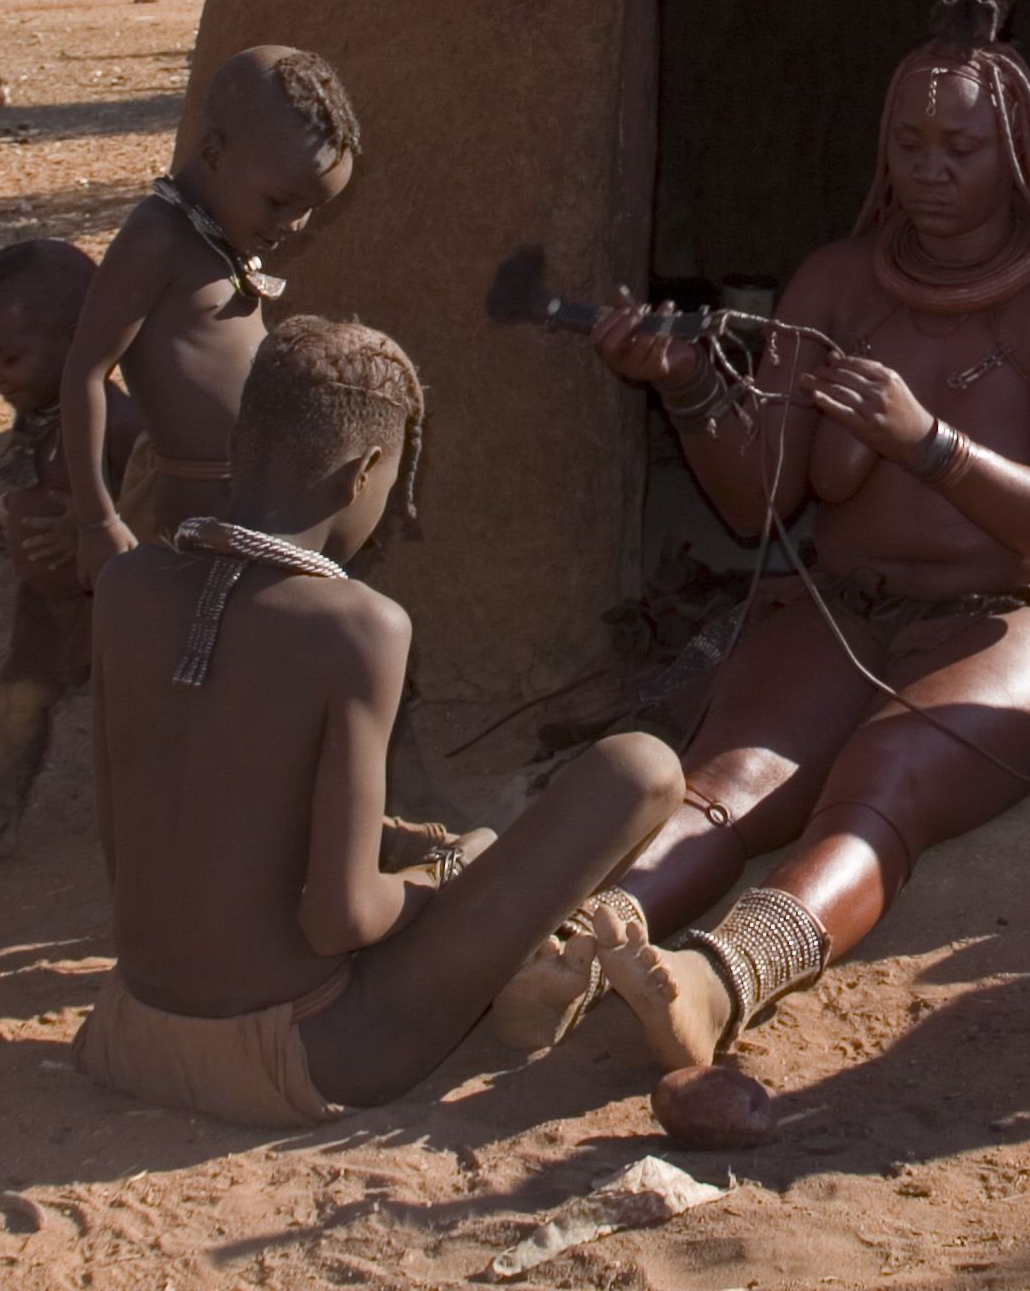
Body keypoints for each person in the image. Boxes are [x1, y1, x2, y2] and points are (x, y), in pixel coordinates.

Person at [498, 0, 1030, 1077]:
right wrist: (693, 391)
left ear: (1020, 155)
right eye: (910, 146)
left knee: (887, 779)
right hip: (844, 604)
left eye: (961, 149)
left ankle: (722, 977)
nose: (931, 172)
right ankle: (578, 942)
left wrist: (932, 446)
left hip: (1014, 614)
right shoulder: (835, 281)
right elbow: (759, 502)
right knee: (733, 779)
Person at [76, 316, 685, 1129]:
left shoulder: (126, 588)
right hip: (301, 1055)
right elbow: (341, 918)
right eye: (396, 486)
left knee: (456, 856)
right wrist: (461, 889)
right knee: (640, 770)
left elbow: (138, 842)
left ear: (241, 442)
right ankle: (518, 980)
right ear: (364, 471)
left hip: (125, 1031)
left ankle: (507, 957)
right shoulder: (359, 626)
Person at [65, 46, 359, 574]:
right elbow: (85, 371)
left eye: (312, 209)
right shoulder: (159, 238)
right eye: (279, 202)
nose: (295, 225)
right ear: (215, 153)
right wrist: (97, 520)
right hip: (185, 517)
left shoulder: (223, 235)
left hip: (247, 511)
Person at [0, 237, 132, 856]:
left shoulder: (117, 422)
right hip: (47, 604)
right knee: (22, 697)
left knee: (145, 716)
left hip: (114, 601)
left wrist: (91, 524)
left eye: (9, 357)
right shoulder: (39, 416)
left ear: (79, 337)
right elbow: (32, 486)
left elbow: (165, 494)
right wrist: (1, 513)